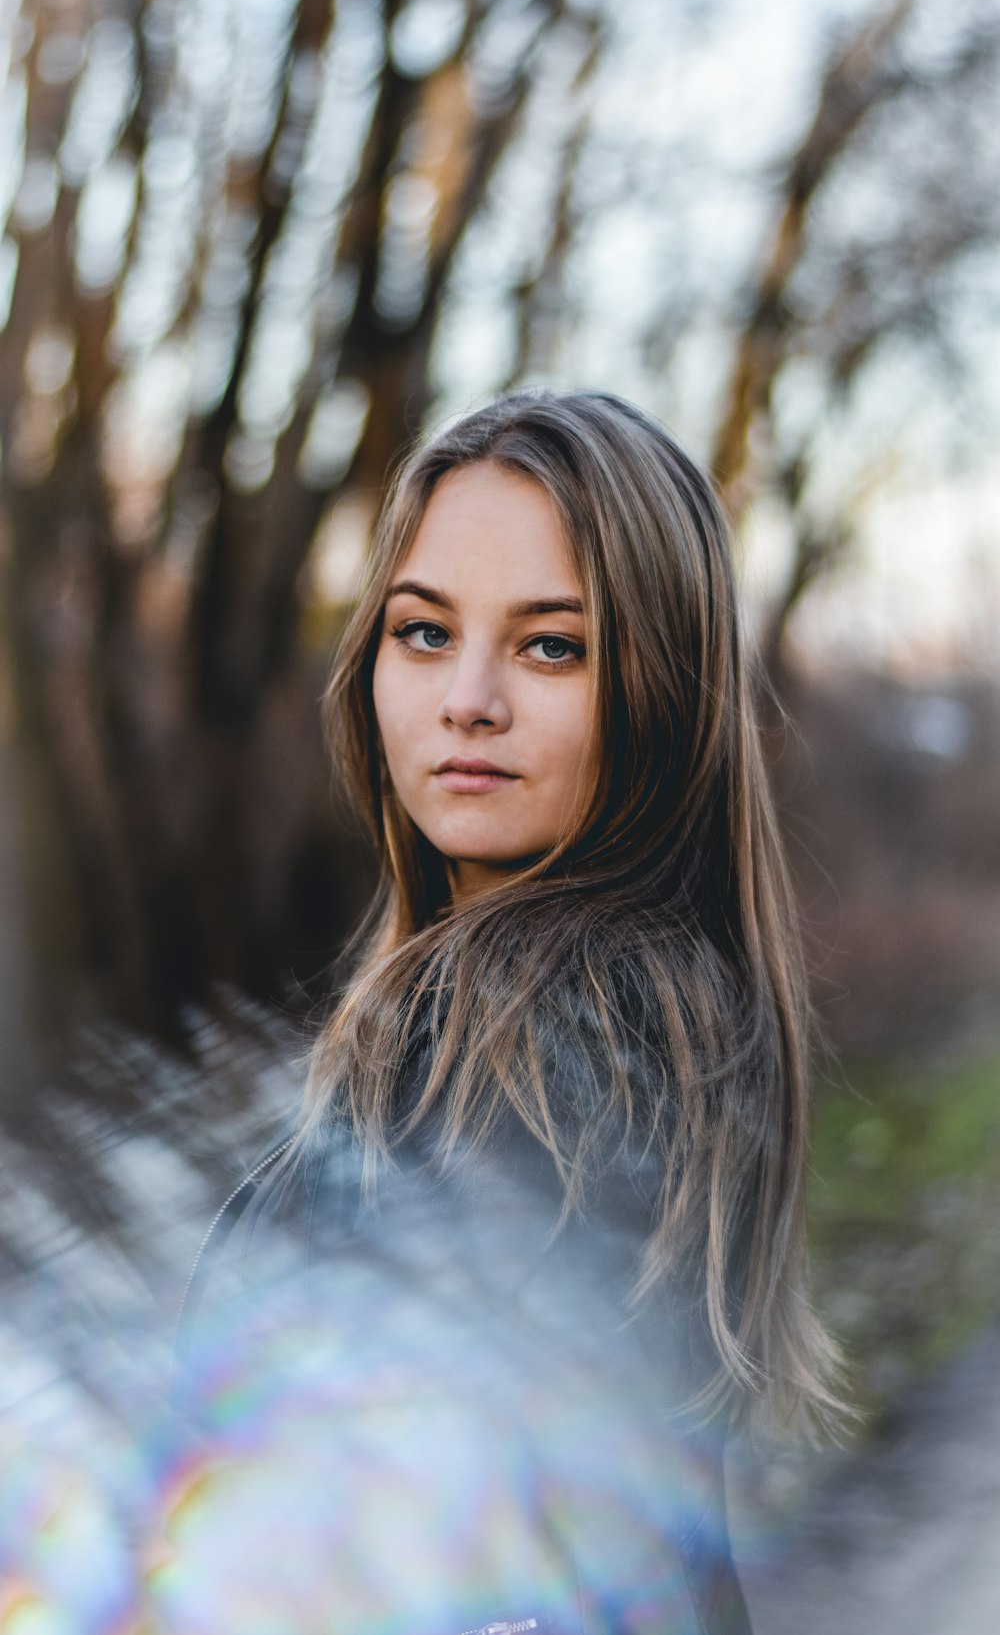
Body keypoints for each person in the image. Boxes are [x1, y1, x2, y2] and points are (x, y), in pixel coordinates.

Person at [168, 390, 842, 1635]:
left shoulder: (549, 1034)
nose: (466, 698)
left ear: (662, 689)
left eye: (551, 645)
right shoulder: (657, 1010)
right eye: (423, 632)